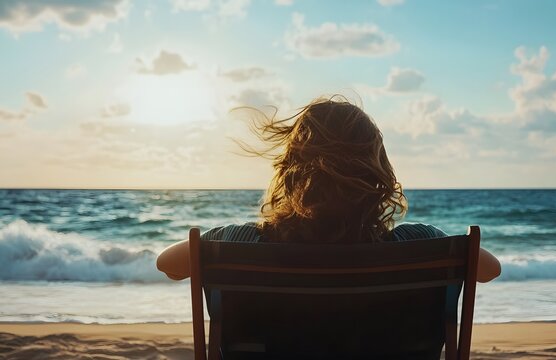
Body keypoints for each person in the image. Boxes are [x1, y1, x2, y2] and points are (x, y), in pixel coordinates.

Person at [156, 96, 501, 282]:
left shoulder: (241, 242)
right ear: (376, 176)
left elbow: (168, 262)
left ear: (291, 171)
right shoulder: (418, 241)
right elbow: (489, 269)